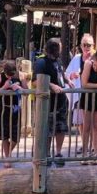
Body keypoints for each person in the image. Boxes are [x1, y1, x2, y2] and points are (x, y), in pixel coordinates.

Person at [32, 38, 69, 166]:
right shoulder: (41, 62)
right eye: (60, 47)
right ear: (54, 48)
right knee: (47, 129)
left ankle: (58, 153)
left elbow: (60, 74)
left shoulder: (58, 61)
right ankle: (46, 153)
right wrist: (51, 86)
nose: (62, 49)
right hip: (48, 102)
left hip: (61, 101)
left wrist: (67, 80)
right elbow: (35, 81)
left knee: (61, 128)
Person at [0, 60, 27, 169]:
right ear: (4, 71)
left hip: (16, 109)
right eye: (8, 75)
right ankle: (7, 157)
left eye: (12, 75)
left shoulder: (21, 76)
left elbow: (27, 91)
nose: (10, 77)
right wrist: (5, 87)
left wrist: (19, 88)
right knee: (5, 136)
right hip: (4, 109)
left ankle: (7, 155)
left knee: (15, 137)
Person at [66, 34, 95, 150]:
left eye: (89, 45)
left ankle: (93, 145)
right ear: (81, 46)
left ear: (93, 46)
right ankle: (85, 144)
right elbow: (67, 73)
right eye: (84, 44)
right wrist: (71, 76)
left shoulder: (95, 58)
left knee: (91, 122)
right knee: (79, 122)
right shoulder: (76, 58)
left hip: (91, 94)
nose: (86, 47)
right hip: (78, 94)